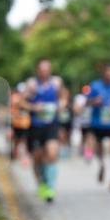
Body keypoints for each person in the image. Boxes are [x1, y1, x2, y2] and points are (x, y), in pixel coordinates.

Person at [22, 58, 64, 202]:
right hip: (35, 126)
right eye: (42, 69)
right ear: (38, 70)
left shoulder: (56, 83)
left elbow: (64, 97)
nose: (45, 72)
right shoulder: (31, 84)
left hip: (51, 124)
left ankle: (50, 187)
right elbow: (20, 102)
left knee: (52, 154)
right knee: (38, 158)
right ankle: (41, 183)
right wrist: (33, 107)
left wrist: (61, 105)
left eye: (48, 69)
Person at [87, 64, 110, 191]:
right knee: (100, 149)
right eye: (107, 73)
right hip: (97, 122)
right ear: (103, 74)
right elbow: (86, 102)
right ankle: (102, 165)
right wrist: (94, 101)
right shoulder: (95, 85)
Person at [10, 84, 32, 163]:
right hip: (16, 123)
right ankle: (14, 154)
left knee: (24, 140)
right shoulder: (15, 97)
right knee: (17, 140)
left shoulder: (28, 98)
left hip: (26, 123)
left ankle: (23, 156)